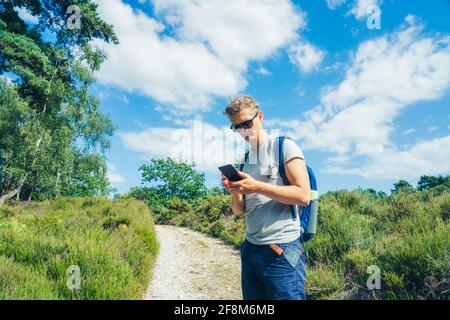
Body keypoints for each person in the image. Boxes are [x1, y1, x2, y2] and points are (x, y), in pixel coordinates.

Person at [221, 96, 311, 300]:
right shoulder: (245, 160)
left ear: (260, 117)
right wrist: (235, 190)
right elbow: (239, 210)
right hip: (250, 249)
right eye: (237, 127)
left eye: (247, 123)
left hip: (281, 250)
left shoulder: (284, 148)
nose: (244, 131)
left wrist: (256, 186)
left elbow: (303, 195)